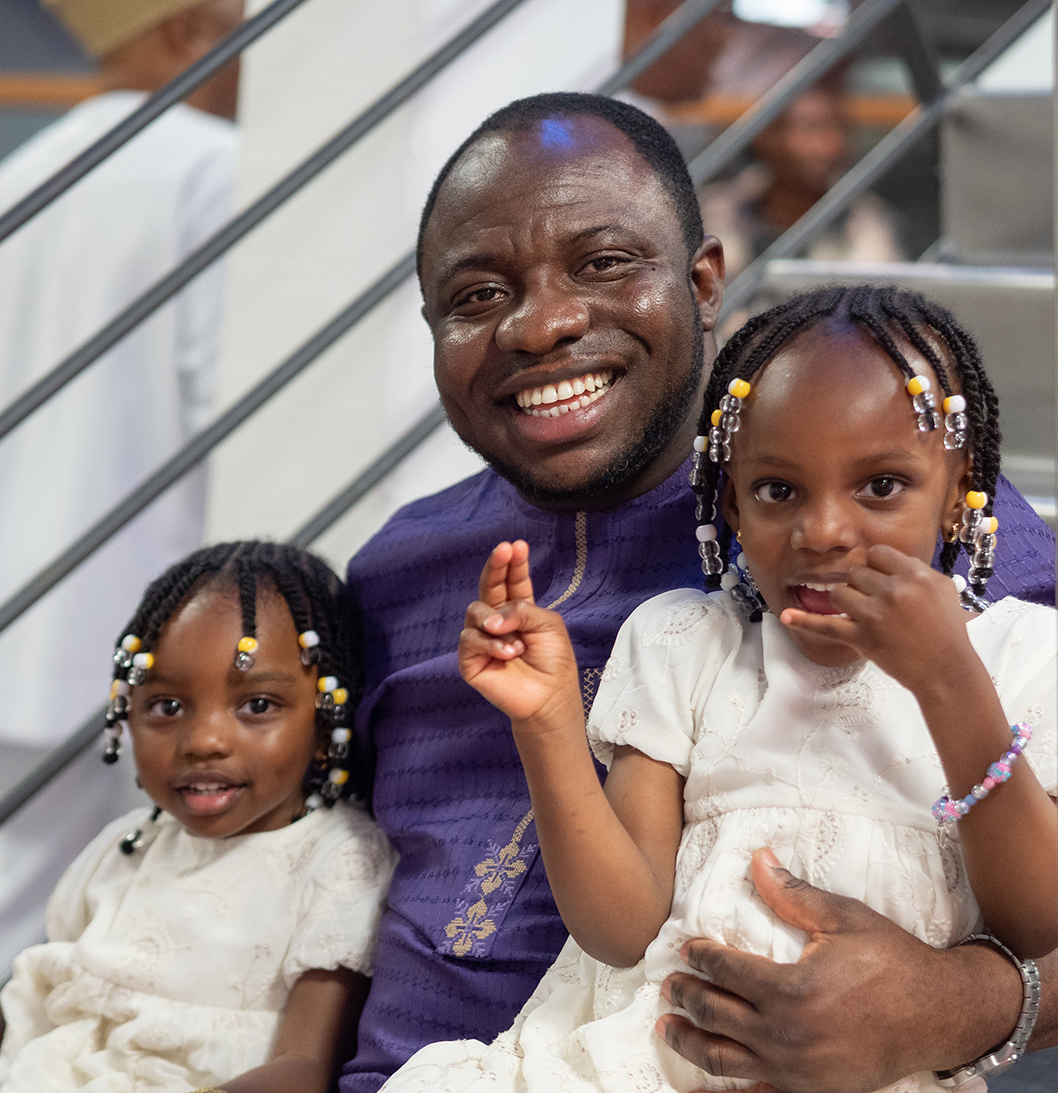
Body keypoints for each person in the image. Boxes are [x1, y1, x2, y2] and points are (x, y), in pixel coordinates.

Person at [339, 92, 1058, 1093]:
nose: (541, 325)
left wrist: (951, 1004)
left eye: (602, 264)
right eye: (478, 294)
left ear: (704, 281)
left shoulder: (948, 564)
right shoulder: (393, 573)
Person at [0, 0, 246, 1018]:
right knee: (164, 903)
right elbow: (219, 406)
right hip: (169, 615)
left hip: (19, 611)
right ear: (191, 30)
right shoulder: (214, 168)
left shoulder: (18, 174)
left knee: (17, 901)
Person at [0, 541, 397, 1093]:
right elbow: (13, 1017)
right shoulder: (124, 849)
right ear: (127, 715)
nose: (203, 741)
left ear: (326, 725)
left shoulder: (339, 864)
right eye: (166, 707)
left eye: (257, 705)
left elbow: (303, 1070)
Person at [699, 81, 905, 281]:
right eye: (812, 129)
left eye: (840, 130)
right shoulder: (716, 211)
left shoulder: (865, 218)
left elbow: (875, 292)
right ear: (767, 137)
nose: (831, 147)